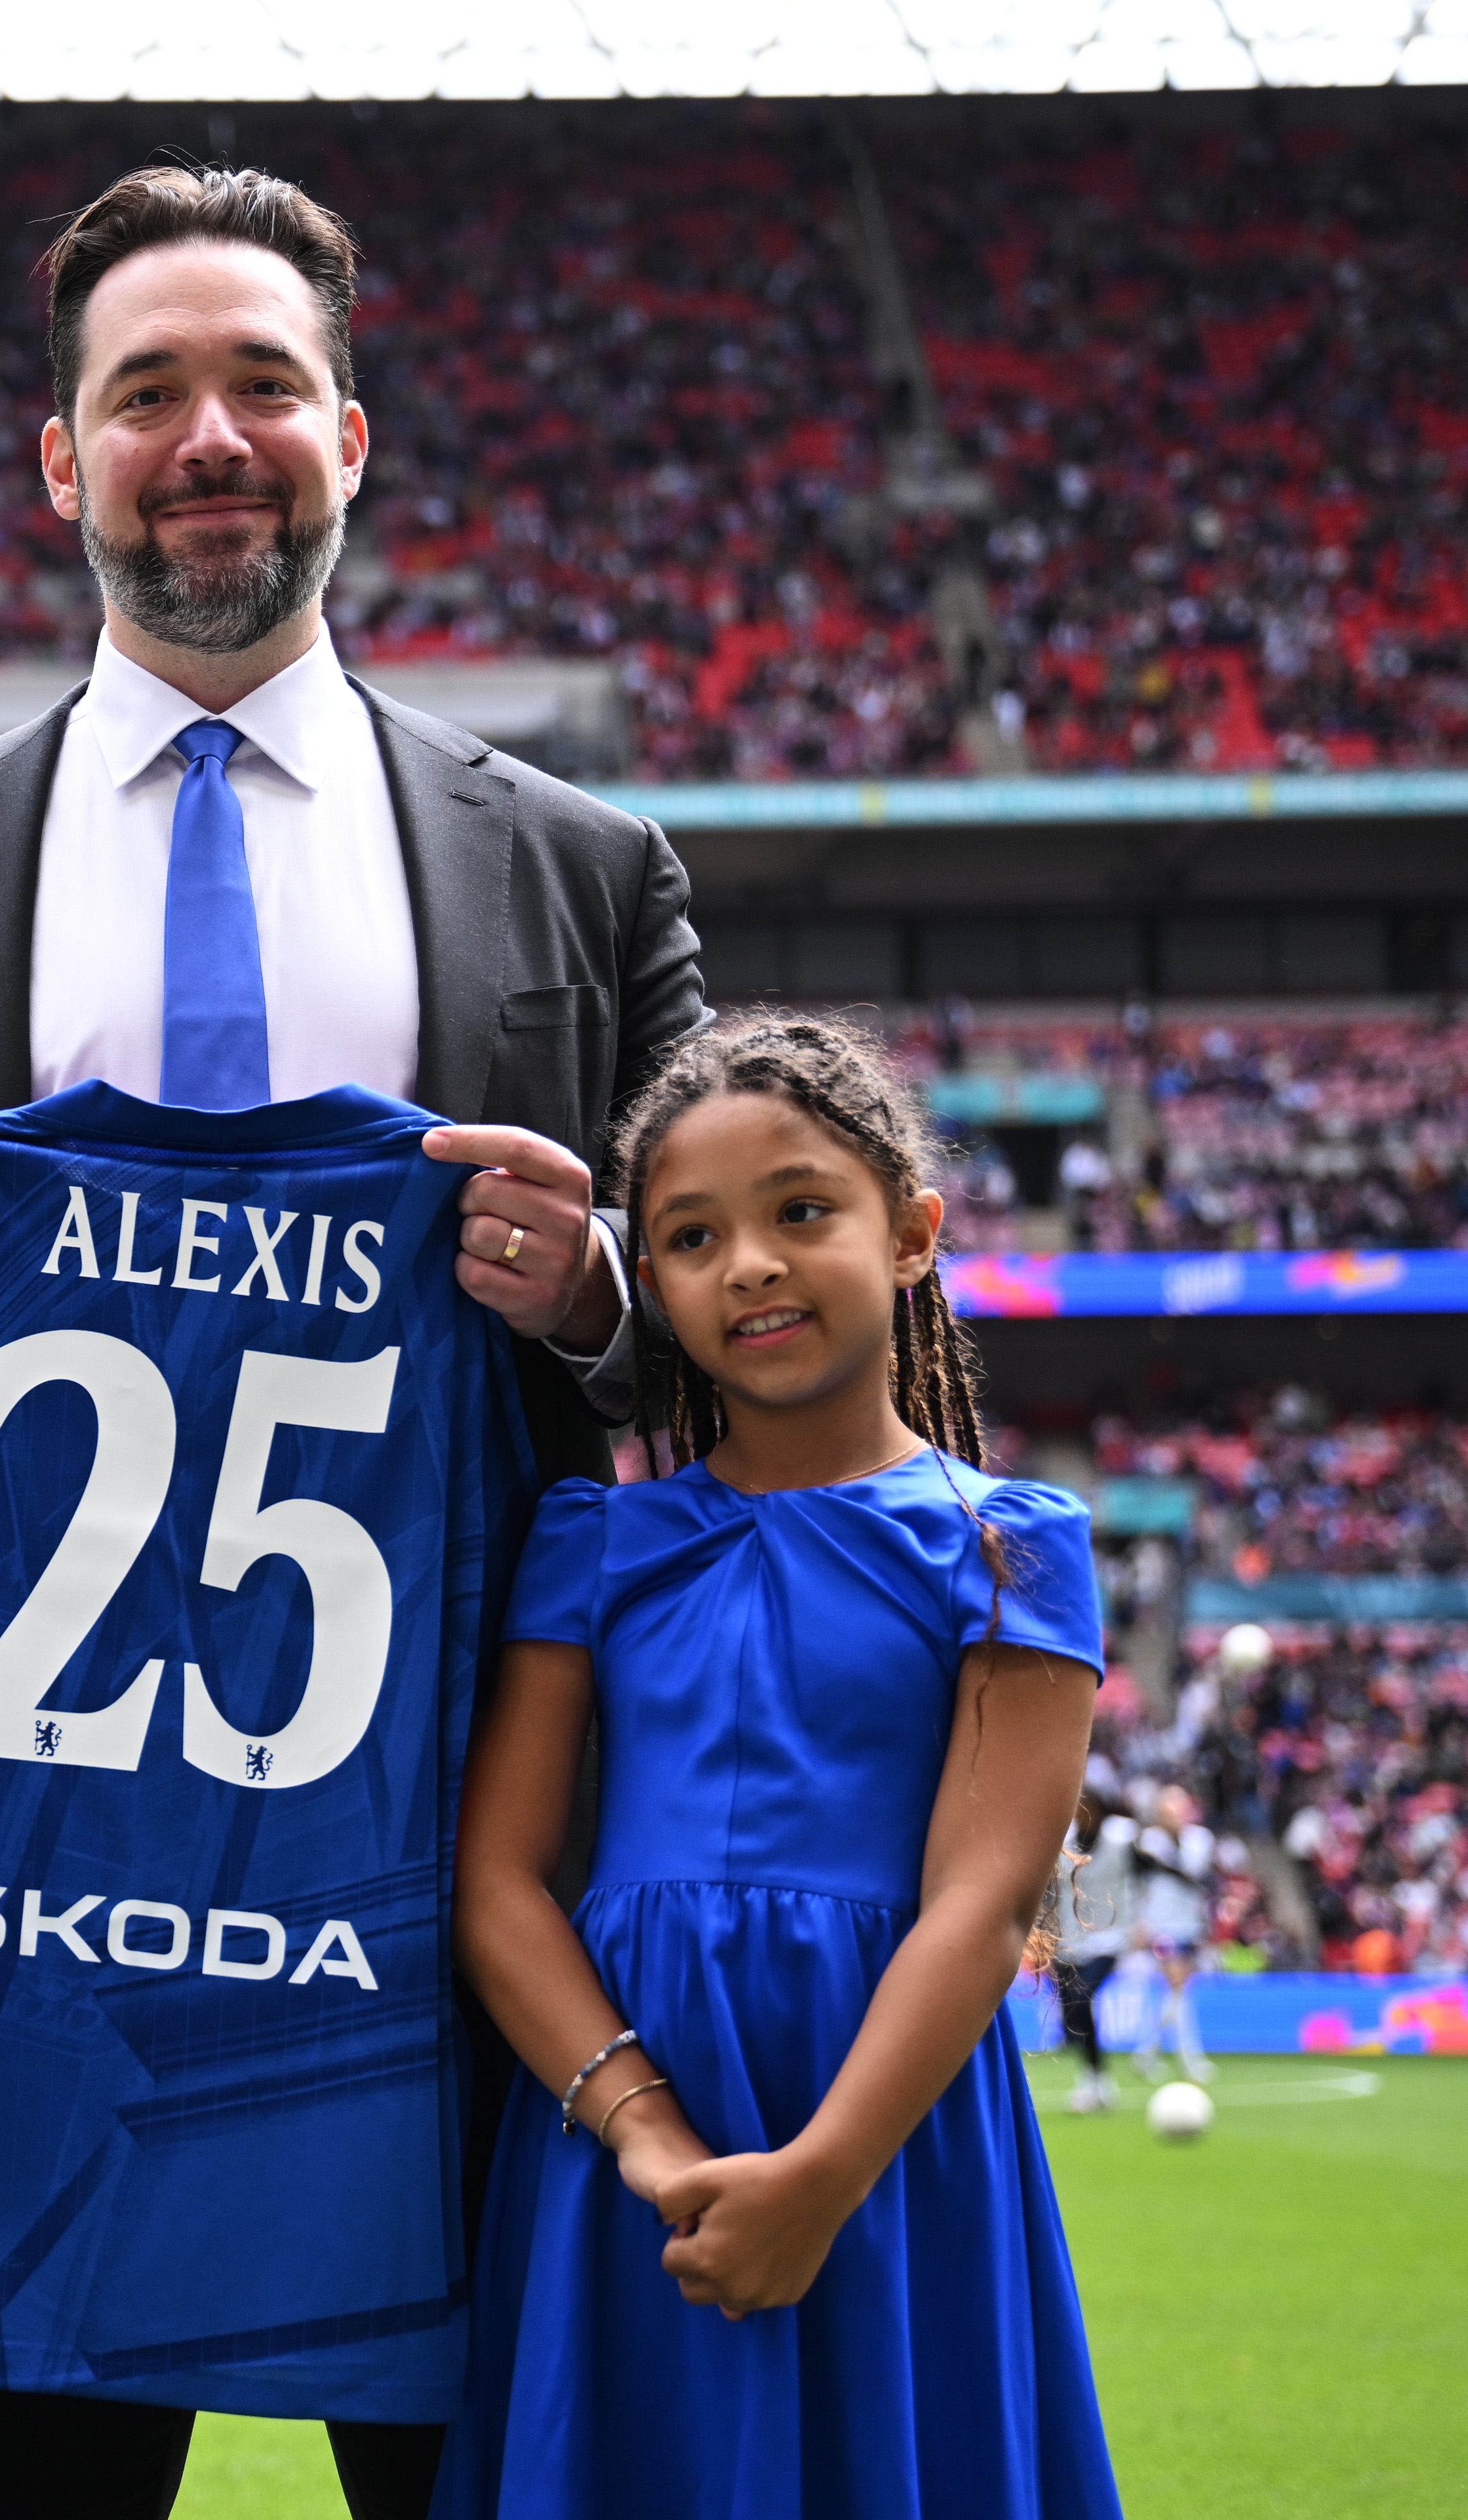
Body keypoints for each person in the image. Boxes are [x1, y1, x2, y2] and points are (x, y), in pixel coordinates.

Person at [0, 165, 704, 2520]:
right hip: (31, 1884)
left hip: (460, 1863)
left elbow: (744, 1334)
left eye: (263, 384)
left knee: (488, 2483)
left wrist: (597, 1299)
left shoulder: (586, 867)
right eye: (145, 393)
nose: (209, 436)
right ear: (64, 461)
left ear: (351, 433)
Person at [435, 1015, 1118, 2519]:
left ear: (912, 1236)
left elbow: (984, 1903)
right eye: (689, 1237)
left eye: (800, 1211)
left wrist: (820, 2173)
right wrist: (653, 2144)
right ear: (653, 1291)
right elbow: (494, 1885)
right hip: (621, 2136)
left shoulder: (1011, 1546)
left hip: (891, 2127)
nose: (746, 1263)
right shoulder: (591, 1540)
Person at [1053, 1793, 1137, 2114]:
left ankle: (1094, 2079)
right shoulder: (1063, 1839)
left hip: (1110, 1936)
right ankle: (1096, 2076)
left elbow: (1148, 1866)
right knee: (1073, 2012)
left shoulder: (1123, 1839)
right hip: (1069, 1938)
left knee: (1081, 1995)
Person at [1130, 1786, 1218, 2083]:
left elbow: (1195, 1874)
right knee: (1177, 1984)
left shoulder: (1200, 1840)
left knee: (1178, 1992)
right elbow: (1140, 1883)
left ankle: (1146, 2053)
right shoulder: (1149, 1842)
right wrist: (1138, 1922)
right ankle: (1189, 2057)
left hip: (1190, 1924)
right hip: (1160, 1926)